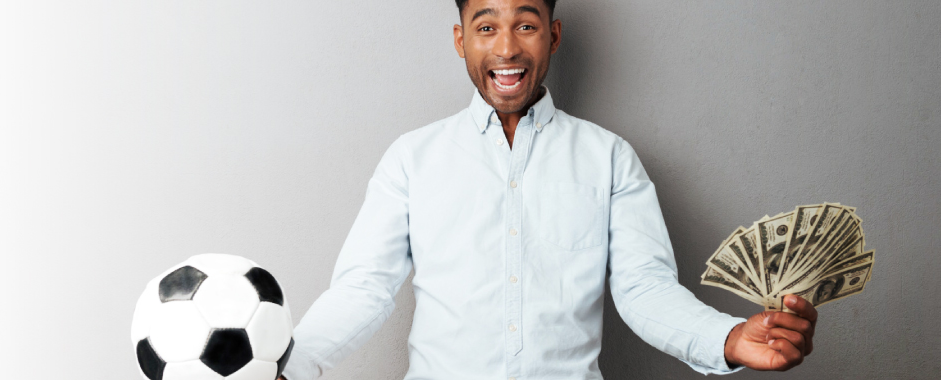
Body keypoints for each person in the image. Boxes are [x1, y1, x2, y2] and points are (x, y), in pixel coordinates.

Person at [281, 0, 817, 378]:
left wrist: (726, 340)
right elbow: (363, 288)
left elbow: (644, 289)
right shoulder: (410, 158)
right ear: (460, 38)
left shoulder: (609, 158)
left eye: (526, 25)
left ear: (553, 36)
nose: (507, 48)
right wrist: (284, 365)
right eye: (486, 27)